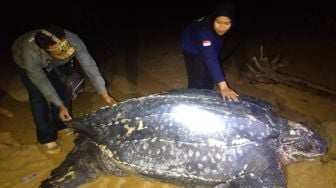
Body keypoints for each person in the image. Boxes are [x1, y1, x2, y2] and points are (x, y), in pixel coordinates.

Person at [11, 24, 117, 154]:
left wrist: (104, 94)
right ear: (45, 51)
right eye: (60, 51)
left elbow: (89, 64)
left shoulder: (71, 39)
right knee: (38, 96)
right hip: (24, 60)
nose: (65, 53)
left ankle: (61, 124)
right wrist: (60, 105)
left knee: (63, 88)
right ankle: (46, 137)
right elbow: (42, 82)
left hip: (55, 60)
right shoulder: (30, 53)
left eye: (66, 48)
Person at [181, 1, 239, 101]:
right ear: (213, 19)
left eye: (226, 23)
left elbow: (214, 49)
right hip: (192, 47)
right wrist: (224, 86)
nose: (222, 27)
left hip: (208, 45)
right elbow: (210, 57)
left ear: (231, 22)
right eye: (219, 22)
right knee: (197, 79)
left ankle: (207, 96)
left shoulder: (225, 26)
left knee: (210, 76)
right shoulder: (204, 32)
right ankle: (193, 101)